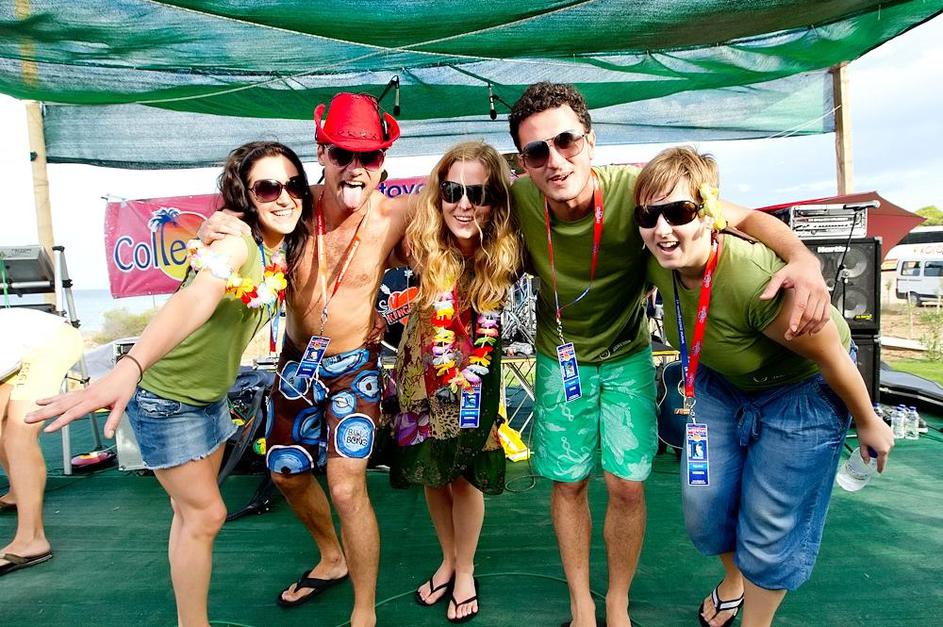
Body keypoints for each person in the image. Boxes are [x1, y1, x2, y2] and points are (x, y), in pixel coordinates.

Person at [506, 82, 835, 627]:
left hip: (626, 355)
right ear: (523, 161)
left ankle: (617, 603)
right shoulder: (517, 199)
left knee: (627, 486)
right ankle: (582, 605)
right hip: (558, 355)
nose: (555, 160)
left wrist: (803, 260)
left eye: (566, 141)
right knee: (568, 483)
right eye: (537, 151)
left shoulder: (636, 192)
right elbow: (444, 212)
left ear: (590, 140)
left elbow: (744, 219)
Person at [27, 140, 310, 627]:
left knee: (188, 513)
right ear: (244, 195)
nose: (284, 197)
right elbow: (197, 298)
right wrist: (130, 366)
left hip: (211, 398)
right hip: (167, 400)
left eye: (294, 185)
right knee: (206, 515)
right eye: (267, 188)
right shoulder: (236, 243)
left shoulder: (273, 249)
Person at [635, 146, 894, 627]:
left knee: (770, 524)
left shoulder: (755, 279)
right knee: (704, 507)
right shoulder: (657, 255)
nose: (663, 228)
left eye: (679, 212)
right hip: (719, 382)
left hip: (801, 388)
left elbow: (831, 357)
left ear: (707, 212)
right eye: (649, 216)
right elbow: (750, 215)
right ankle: (734, 581)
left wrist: (867, 420)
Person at [196, 92, 408, 627]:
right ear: (321, 153)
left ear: (383, 160)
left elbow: (458, 237)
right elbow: (228, 223)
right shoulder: (291, 205)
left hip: (355, 368)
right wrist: (210, 228)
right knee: (286, 472)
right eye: (342, 154)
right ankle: (332, 557)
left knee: (346, 486)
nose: (355, 167)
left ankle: (364, 612)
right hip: (296, 364)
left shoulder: (396, 216)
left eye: (368, 156)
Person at [386, 141, 520, 623]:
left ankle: (465, 569)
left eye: (477, 193)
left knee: (464, 476)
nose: (463, 204)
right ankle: (447, 559)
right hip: (421, 372)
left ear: (495, 199)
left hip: (475, 375)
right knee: (432, 472)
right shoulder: (418, 239)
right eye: (452, 190)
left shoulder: (509, 248)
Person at [0, 308, 83, 576]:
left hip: (50, 342)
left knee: (18, 433)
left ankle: (32, 540)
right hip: (19, 350)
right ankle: (17, 493)